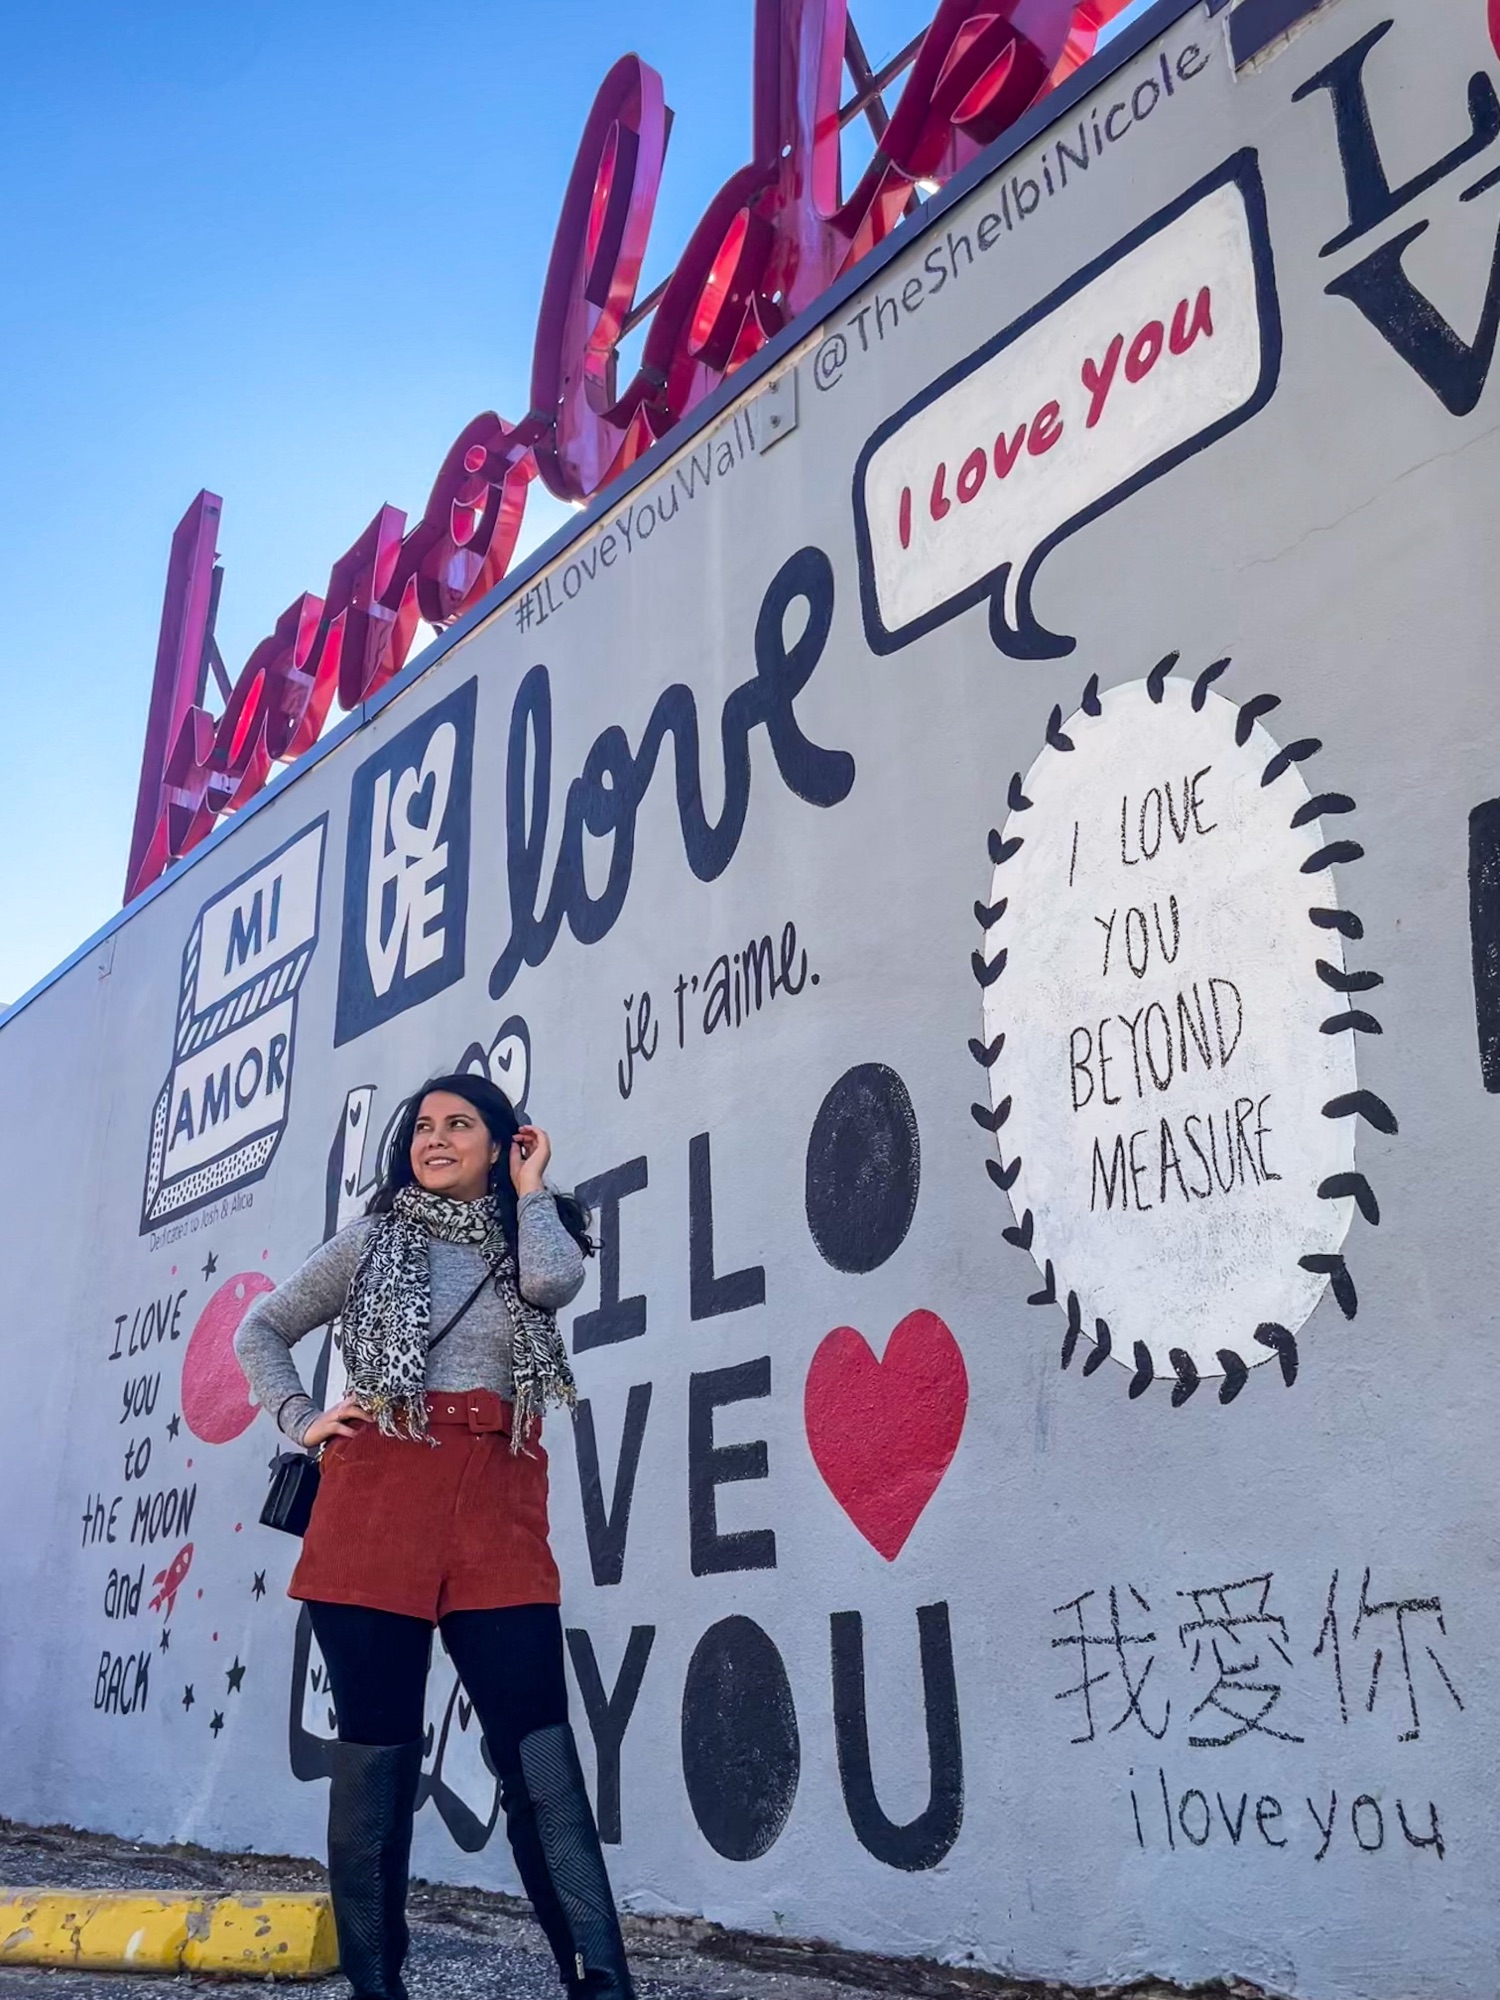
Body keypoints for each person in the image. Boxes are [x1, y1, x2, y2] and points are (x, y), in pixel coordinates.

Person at [235, 1072, 635, 2000]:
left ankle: (602, 1981)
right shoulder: (369, 1241)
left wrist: (532, 1190)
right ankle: (378, 1988)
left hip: (496, 1500)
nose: (435, 1139)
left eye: (460, 1125)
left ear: (502, 1143)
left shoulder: (532, 1234)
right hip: (377, 1500)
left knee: (539, 1756)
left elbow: (555, 1282)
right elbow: (263, 1329)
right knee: (376, 1760)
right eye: (422, 1126)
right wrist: (302, 1418)